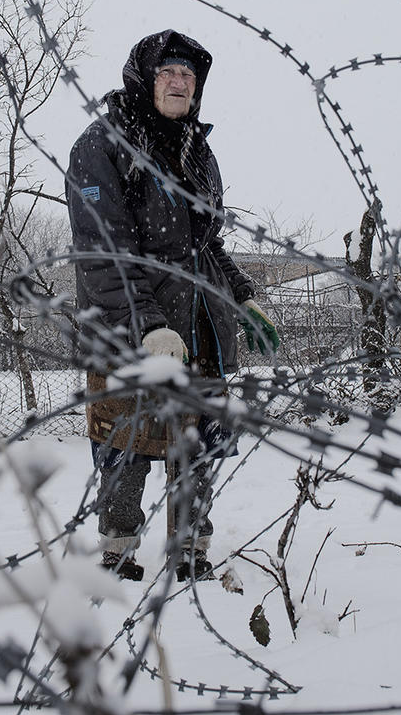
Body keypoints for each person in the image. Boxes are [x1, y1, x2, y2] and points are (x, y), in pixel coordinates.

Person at [67, 29, 278, 583]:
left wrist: (243, 296)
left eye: (190, 75)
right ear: (143, 78)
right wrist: (149, 326)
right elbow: (103, 252)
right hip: (127, 329)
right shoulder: (104, 146)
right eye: (169, 72)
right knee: (127, 442)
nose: (181, 82)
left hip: (200, 328)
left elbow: (205, 244)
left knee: (197, 445)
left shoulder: (197, 153)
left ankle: (190, 552)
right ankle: (116, 557)